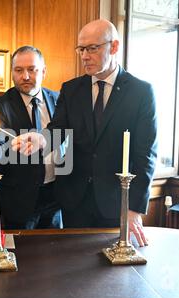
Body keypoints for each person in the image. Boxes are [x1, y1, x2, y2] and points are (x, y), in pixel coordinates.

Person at [12, 19, 157, 246]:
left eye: (92, 48)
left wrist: (135, 208)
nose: (85, 56)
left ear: (114, 46)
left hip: (116, 201)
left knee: (111, 277)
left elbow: (146, 155)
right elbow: (58, 130)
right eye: (81, 49)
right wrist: (40, 139)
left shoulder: (141, 92)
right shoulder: (71, 89)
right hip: (73, 201)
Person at [0, 46, 61, 229]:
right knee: (22, 254)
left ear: (43, 71)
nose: (25, 76)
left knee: (53, 251)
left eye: (32, 69)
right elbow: (1, 145)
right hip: (20, 198)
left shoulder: (59, 99)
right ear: (12, 72)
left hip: (55, 196)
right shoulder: (0, 104)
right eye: (19, 70)